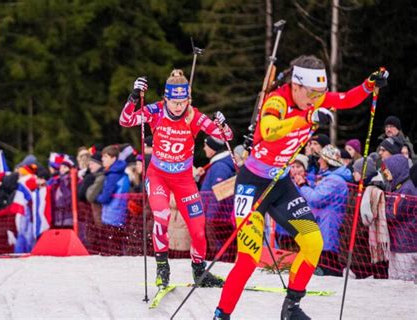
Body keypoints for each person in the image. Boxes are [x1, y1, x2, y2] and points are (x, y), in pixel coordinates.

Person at [214, 55, 388, 320]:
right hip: (253, 185)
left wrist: (368, 85)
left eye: (320, 93)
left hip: (281, 185)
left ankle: (291, 307)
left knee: (312, 242)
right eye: (311, 93)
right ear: (295, 85)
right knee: (248, 258)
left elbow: (345, 99)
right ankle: (222, 314)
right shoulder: (277, 101)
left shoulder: (313, 99)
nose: (316, 98)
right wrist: (306, 117)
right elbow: (269, 129)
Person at [119, 69, 233, 288]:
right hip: (159, 176)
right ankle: (163, 268)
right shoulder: (156, 111)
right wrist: (134, 97)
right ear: (166, 99)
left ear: (189, 99)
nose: (179, 106)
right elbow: (126, 120)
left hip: (184, 181)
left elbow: (225, 137)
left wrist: (222, 123)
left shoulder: (194, 116)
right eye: (174, 102)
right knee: (161, 218)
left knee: (198, 230)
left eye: (183, 101)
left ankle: (199, 271)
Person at [296, 145, 351, 276]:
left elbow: (315, 198)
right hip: (325, 225)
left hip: (329, 229)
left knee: (328, 268)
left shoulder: (334, 180)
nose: (319, 161)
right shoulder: (329, 178)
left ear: (327, 160)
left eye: (321, 158)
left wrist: (303, 185)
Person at [382, 154, 417, 281]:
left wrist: (380, 210)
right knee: (394, 280)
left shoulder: (406, 189)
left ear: (397, 169)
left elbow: (394, 214)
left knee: (404, 282)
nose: (385, 173)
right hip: (397, 242)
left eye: (388, 170)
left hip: (406, 245)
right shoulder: (397, 187)